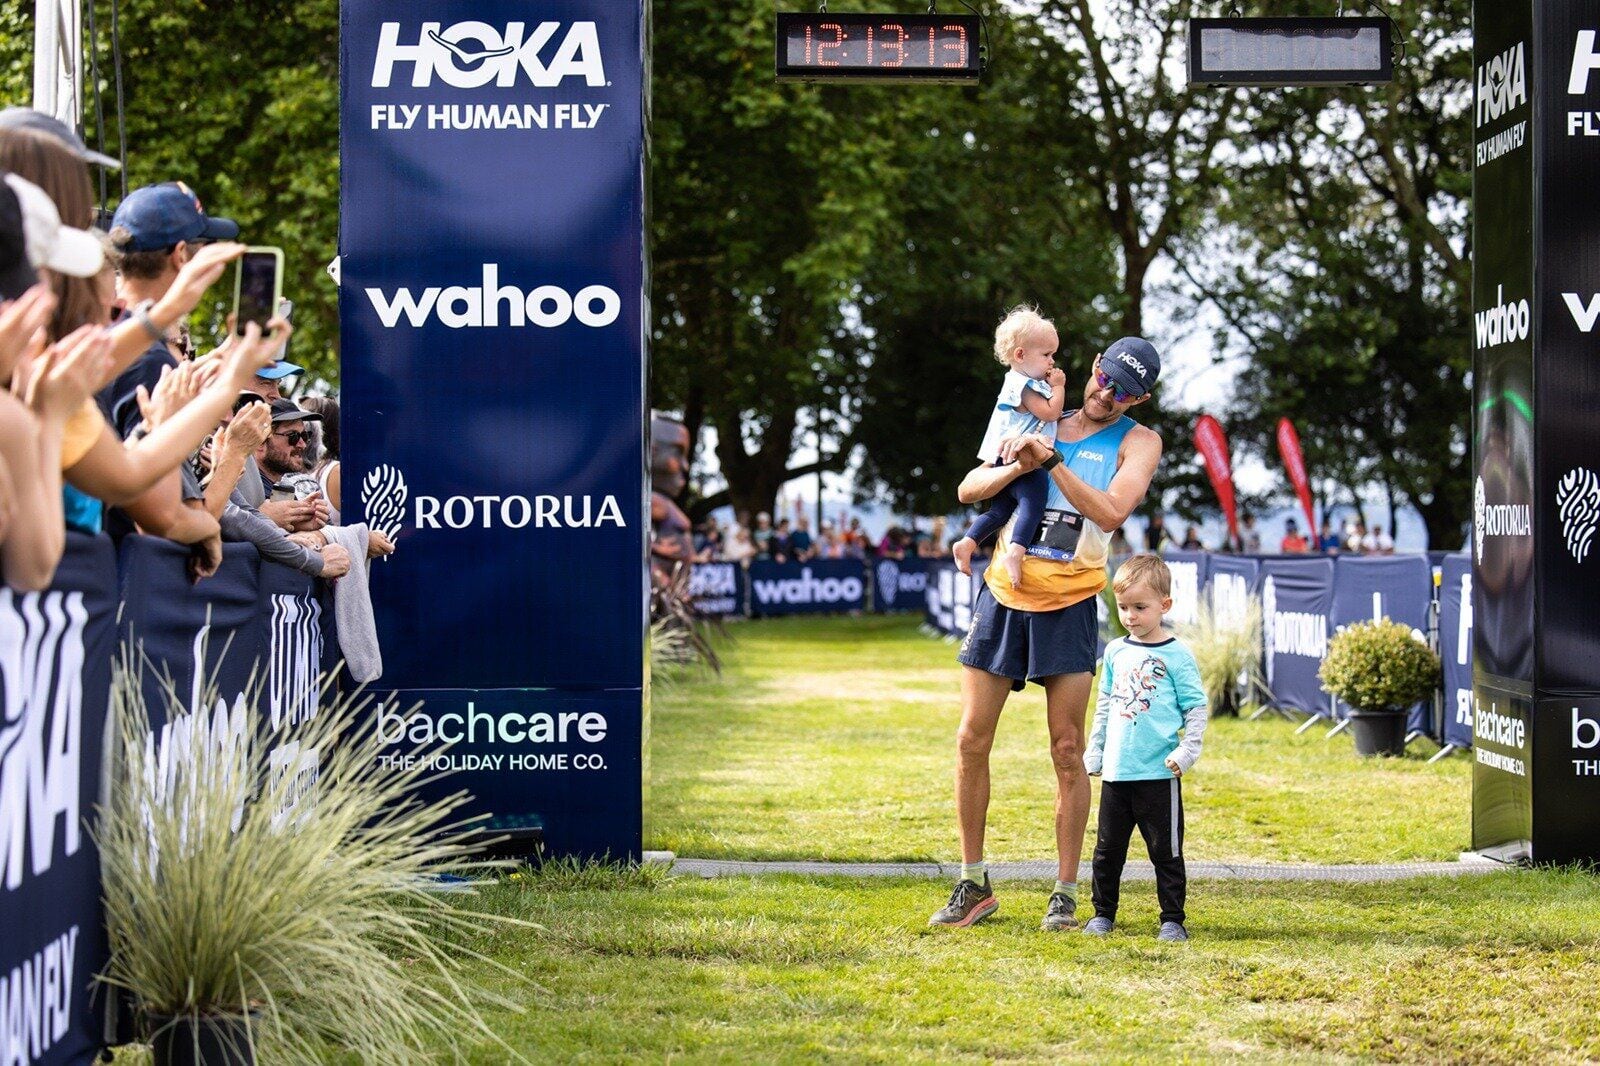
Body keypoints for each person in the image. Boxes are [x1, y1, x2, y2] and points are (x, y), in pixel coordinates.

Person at [929, 336, 1163, 932]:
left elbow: (1112, 513)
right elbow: (967, 490)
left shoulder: (1139, 441)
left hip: (1071, 602)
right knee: (970, 741)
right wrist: (1018, 462)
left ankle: (1064, 891)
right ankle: (972, 882)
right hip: (1004, 596)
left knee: (1067, 750)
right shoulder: (1037, 415)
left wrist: (1053, 461)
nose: (1107, 396)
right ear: (1093, 368)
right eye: (1105, 380)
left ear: (1141, 399)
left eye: (1124, 392)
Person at [1083, 555, 1208, 943]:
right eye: (1123, 607)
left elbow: (1197, 709)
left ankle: (1172, 919)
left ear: (1164, 606)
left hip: (1159, 775)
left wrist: (1187, 752)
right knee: (1107, 852)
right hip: (1118, 775)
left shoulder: (1177, 656)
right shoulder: (1117, 653)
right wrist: (1096, 750)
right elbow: (1104, 705)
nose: (1131, 616)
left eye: (1140, 607)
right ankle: (1103, 914)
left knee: (1165, 852)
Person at [949, 307, 1068, 588]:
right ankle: (1016, 552)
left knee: (998, 512)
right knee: (1033, 506)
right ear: (1020, 355)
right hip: (1025, 460)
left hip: (1003, 461)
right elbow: (1050, 413)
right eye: (1047, 354)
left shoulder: (1014, 381)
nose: (1052, 361)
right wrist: (1060, 387)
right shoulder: (1026, 386)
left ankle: (968, 542)